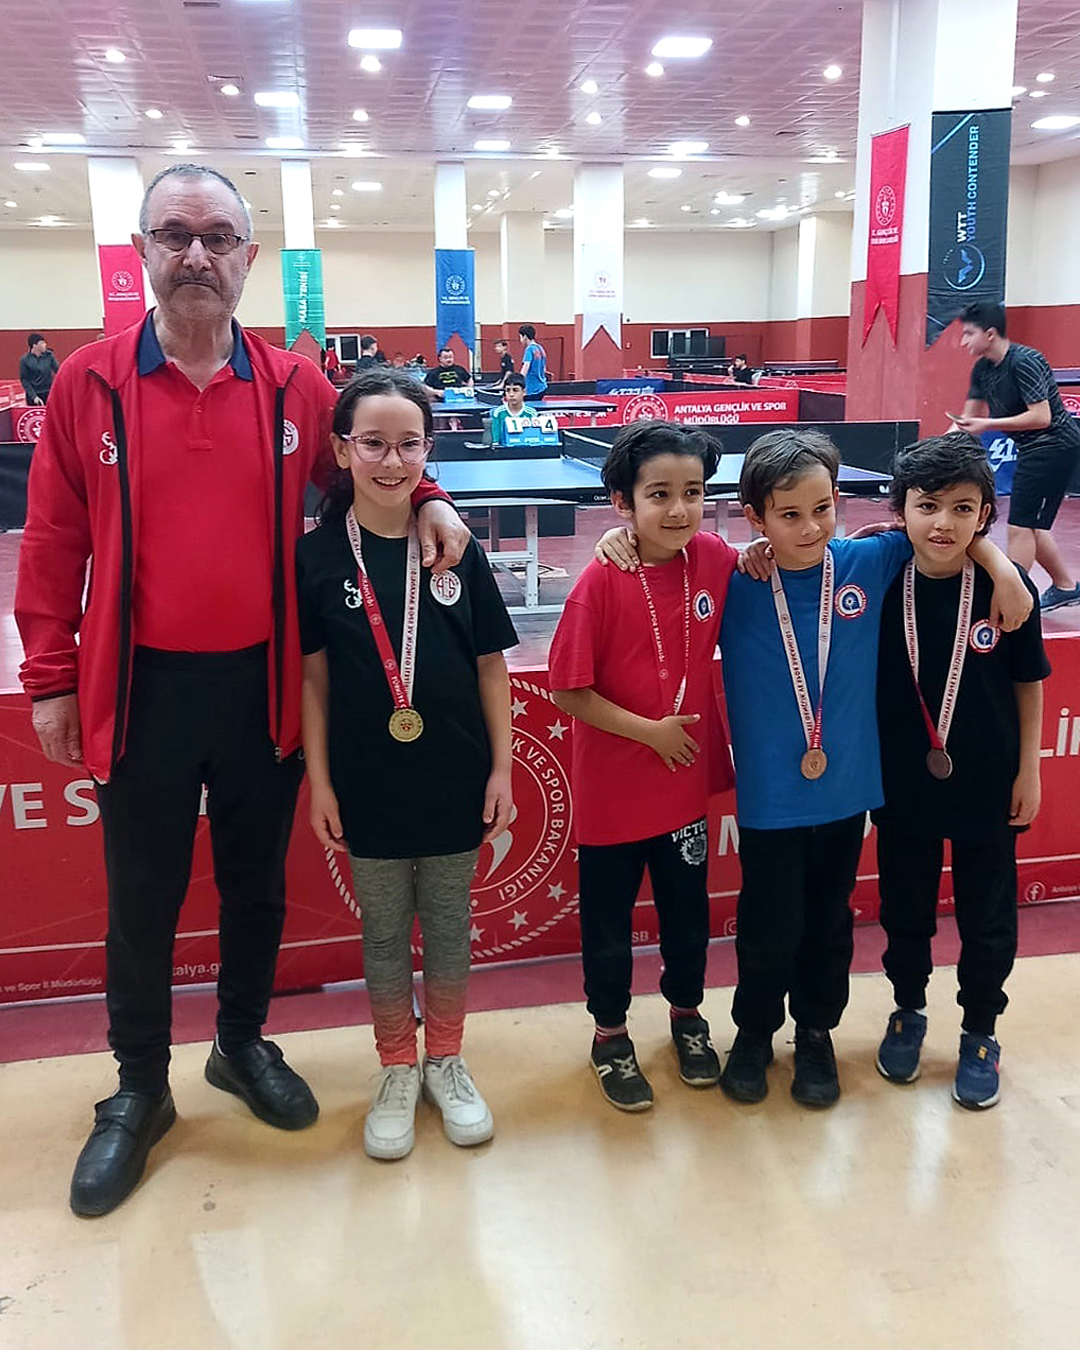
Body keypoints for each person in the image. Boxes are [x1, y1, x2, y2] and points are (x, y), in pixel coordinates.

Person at [14, 163, 468, 1218]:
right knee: (143, 897)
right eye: (174, 234)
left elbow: (375, 459)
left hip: (264, 687)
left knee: (255, 887)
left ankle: (240, 1042)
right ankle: (138, 1087)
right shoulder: (87, 383)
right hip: (140, 691)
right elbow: (53, 540)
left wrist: (435, 496)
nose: (196, 255)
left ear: (249, 259)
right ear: (142, 251)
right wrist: (50, 677)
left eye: (217, 237)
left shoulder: (295, 385)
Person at [713, 429, 1029, 1110]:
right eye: (789, 515)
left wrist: (1002, 566)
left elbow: (945, 529)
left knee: (829, 922)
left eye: (822, 509)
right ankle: (753, 1034)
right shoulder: (733, 577)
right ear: (755, 517)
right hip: (770, 797)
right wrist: (613, 538)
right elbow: (664, 550)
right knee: (768, 923)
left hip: (846, 793)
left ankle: (815, 1034)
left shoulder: (867, 560)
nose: (810, 527)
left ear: (840, 501)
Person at [298, 368, 517, 1159]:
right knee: (386, 935)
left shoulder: (456, 549)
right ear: (341, 449)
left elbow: (492, 668)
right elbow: (314, 681)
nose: (392, 462)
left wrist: (502, 770)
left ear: (429, 451)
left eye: (409, 445)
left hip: (456, 777)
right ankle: (397, 1064)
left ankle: (446, 1061)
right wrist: (321, 782)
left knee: (450, 929)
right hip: (367, 785)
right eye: (374, 444)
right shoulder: (317, 557)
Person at [549, 421, 740, 1111]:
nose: (680, 508)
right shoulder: (600, 581)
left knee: (687, 918)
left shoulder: (714, 558)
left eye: (693, 492)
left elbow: (781, 555)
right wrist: (649, 734)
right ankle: (609, 1035)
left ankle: (687, 1018)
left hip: (682, 788)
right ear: (622, 502)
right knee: (607, 926)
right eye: (659, 494)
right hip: (613, 796)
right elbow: (567, 690)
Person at [872, 434, 1049, 1109]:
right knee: (905, 907)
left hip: (989, 781)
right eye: (928, 506)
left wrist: (1029, 770)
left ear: (985, 515)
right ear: (901, 510)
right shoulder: (882, 582)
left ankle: (981, 1031)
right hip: (903, 781)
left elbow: (1029, 684)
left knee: (988, 915)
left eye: (963, 509)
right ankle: (907, 1010)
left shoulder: (1011, 594)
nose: (943, 523)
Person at [950, 300, 1080, 612]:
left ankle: (1011, 596)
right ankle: (1065, 586)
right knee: (1032, 524)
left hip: (1054, 445)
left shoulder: (1025, 361)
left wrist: (988, 424)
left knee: (1020, 526)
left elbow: (1042, 417)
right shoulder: (982, 369)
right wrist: (929, 450)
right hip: (1031, 447)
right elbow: (966, 421)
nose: (963, 341)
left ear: (990, 334)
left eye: (968, 334)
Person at [488, 374, 538, 446]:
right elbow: (496, 441)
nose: (511, 394)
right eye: (508, 390)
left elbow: (534, 438)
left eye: (515, 390)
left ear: (524, 392)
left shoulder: (532, 413)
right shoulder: (498, 413)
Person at [20, 332, 59, 405]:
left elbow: (58, 371)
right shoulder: (25, 360)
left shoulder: (49, 356)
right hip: (34, 395)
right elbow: (24, 380)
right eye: (42, 343)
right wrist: (34, 396)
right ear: (34, 345)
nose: (45, 345)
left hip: (48, 393)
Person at [518, 324, 548, 402]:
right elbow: (544, 369)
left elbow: (526, 366)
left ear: (525, 336)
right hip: (542, 387)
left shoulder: (529, 349)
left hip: (532, 388)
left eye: (520, 337)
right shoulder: (540, 348)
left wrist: (518, 382)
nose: (520, 339)